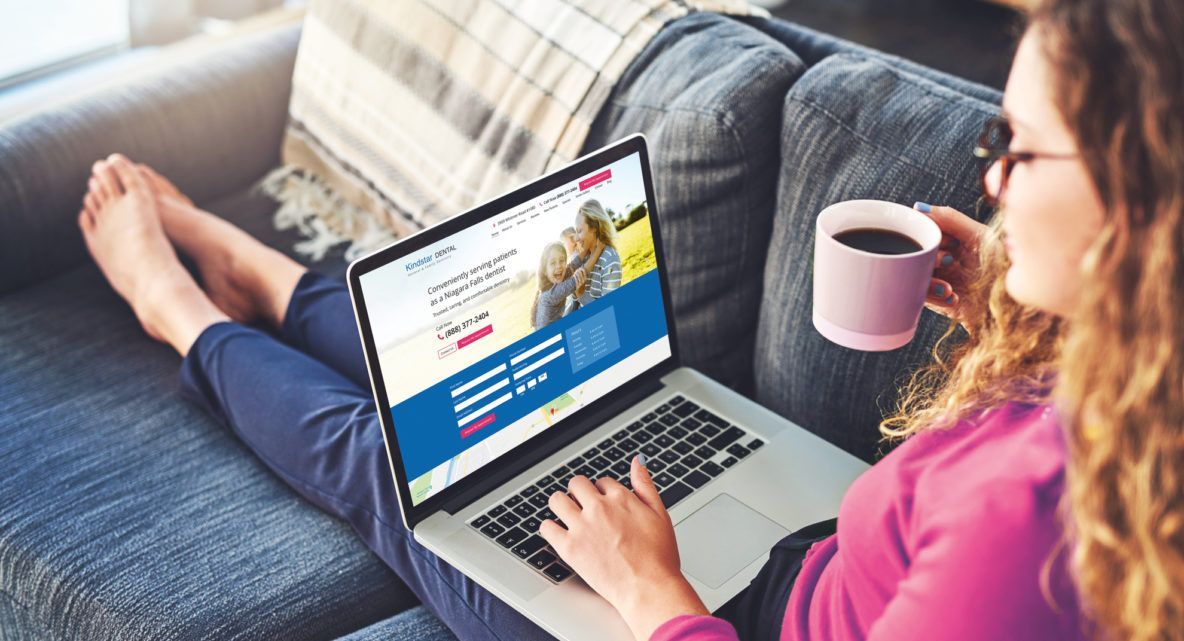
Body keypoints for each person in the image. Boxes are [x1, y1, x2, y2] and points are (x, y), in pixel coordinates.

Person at [76, 1, 1182, 640]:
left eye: (1019, 151)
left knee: (398, 473)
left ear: (1144, 198)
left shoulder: (1027, 527)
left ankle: (176, 310)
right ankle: (271, 280)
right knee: (472, 402)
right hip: (810, 566)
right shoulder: (1142, 370)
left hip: (708, 619)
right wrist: (1007, 289)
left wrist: (652, 588)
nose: (987, 182)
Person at [530, 239, 605, 329]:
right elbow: (580, 275)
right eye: (553, 263)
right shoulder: (551, 294)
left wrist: (587, 247)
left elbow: (574, 263)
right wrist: (598, 249)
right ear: (545, 271)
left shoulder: (557, 278)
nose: (558, 266)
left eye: (562, 260)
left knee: (576, 301)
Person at [567, 200, 622, 310]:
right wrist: (574, 290)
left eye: (580, 231)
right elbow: (573, 301)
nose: (576, 238)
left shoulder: (610, 259)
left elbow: (608, 310)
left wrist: (581, 293)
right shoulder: (583, 257)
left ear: (594, 228)